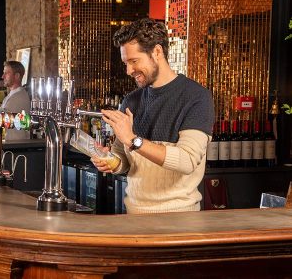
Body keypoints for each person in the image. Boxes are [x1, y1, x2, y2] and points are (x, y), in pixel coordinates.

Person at [92, 18, 214, 214]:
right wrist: (109, 161)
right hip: (134, 216)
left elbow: (187, 161)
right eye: (126, 63)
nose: (129, 71)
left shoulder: (196, 97)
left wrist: (133, 140)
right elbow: (124, 160)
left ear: (157, 52)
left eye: (134, 61)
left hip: (179, 220)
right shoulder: (131, 100)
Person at [0, 60, 31, 140]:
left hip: (16, 146)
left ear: (17, 76)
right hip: (11, 144)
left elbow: (0, 119)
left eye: (7, 73)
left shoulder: (19, 97)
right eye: (4, 73)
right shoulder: (12, 95)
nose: (3, 76)